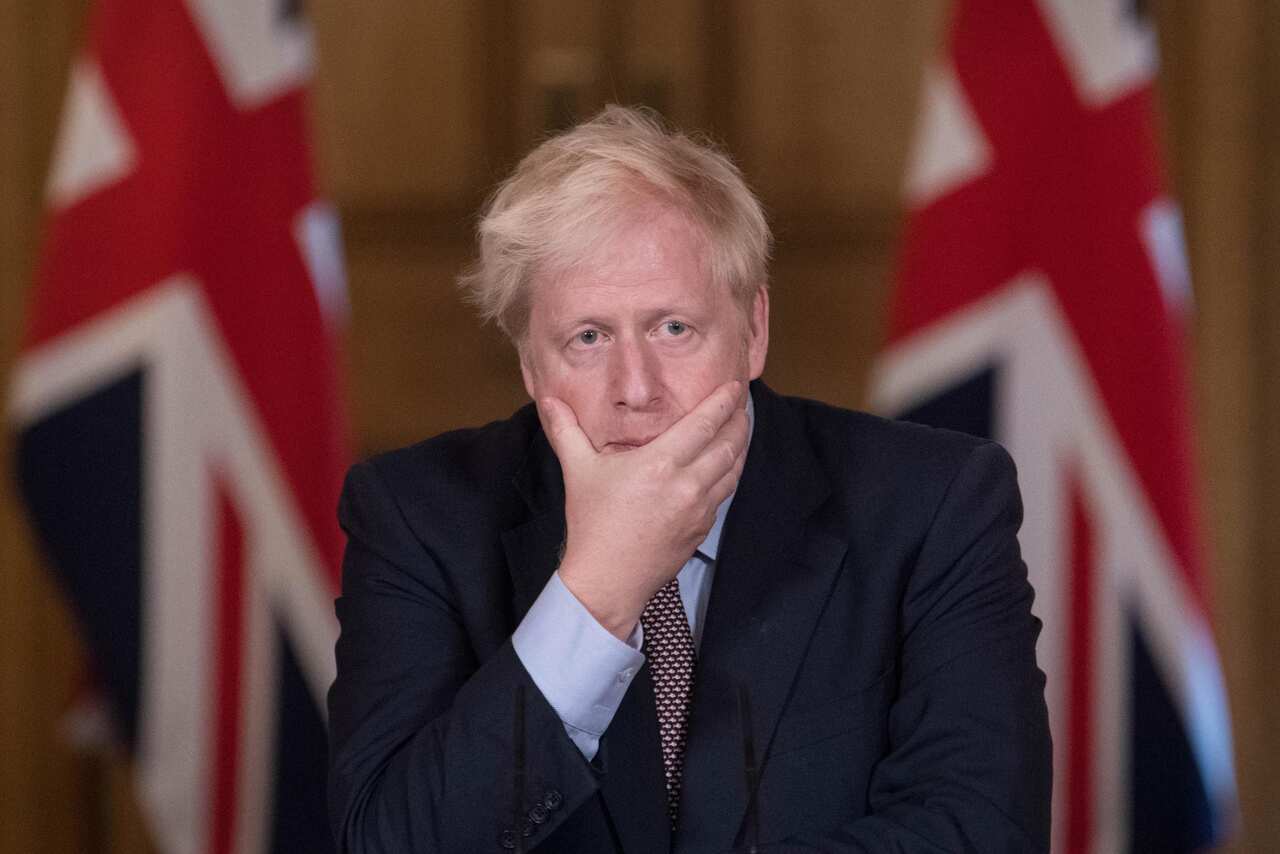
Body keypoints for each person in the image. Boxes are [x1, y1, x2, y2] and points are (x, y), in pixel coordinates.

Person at [327, 105, 1051, 853]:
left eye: (674, 328)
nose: (635, 388)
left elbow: (981, 831)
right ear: (529, 367)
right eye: (588, 337)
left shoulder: (934, 503)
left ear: (754, 330)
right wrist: (594, 596)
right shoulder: (416, 517)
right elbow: (388, 841)